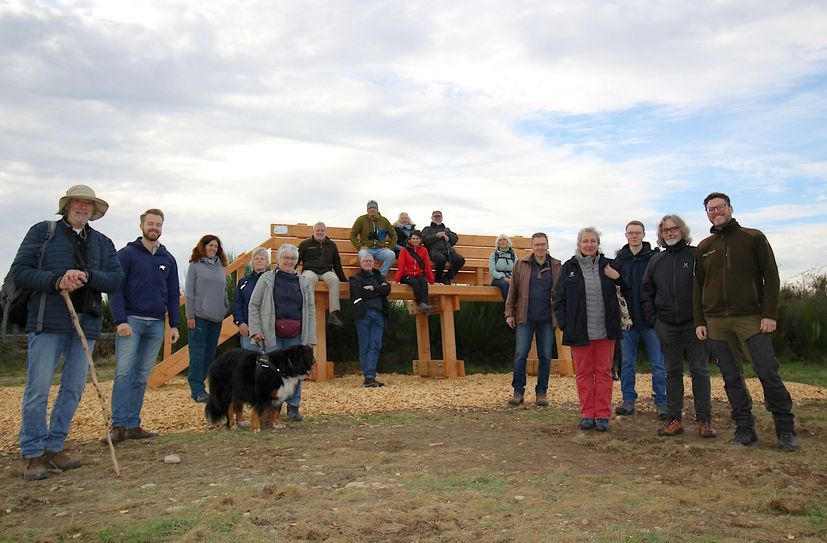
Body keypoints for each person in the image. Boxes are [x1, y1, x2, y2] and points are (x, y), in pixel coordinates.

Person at [12, 185, 122, 481]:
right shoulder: (42, 232)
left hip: (85, 324)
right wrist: (56, 280)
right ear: (67, 205)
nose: (83, 208)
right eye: (78, 202)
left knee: (73, 388)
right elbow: (19, 271)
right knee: (38, 389)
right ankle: (31, 453)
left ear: (94, 211)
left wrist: (87, 276)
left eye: (89, 204)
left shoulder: (102, 242)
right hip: (47, 321)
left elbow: (115, 279)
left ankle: (54, 447)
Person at [694, 192, 797, 451]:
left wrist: (770, 314)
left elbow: (771, 277)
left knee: (767, 373)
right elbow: (698, 287)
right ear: (706, 213)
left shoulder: (753, 237)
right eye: (710, 209)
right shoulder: (705, 247)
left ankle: (785, 429)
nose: (716, 212)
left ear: (730, 208)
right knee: (731, 377)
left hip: (751, 318)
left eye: (720, 207)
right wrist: (700, 320)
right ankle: (744, 428)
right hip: (716, 321)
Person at [105, 208, 180, 444]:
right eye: (150, 224)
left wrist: (174, 324)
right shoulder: (126, 255)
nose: (154, 228)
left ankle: (132, 424)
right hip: (132, 322)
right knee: (124, 372)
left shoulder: (167, 259)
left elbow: (172, 294)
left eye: (158, 224)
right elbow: (115, 289)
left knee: (141, 376)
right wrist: (120, 320)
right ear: (141, 226)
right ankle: (117, 425)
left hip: (156, 324)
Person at [641, 215, 716, 438]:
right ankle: (674, 419)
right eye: (666, 231)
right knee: (672, 371)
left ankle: (705, 421)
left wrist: (705, 318)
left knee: (700, 371)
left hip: (695, 324)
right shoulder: (656, 261)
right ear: (661, 235)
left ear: (682, 231)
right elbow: (647, 292)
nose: (670, 233)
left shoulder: (696, 255)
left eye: (674, 229)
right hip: (666, 325)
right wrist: (654, 320)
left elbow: (709, 287)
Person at [554, 227, 627, 432]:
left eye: (593, 241)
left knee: (604, 373)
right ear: (579, 244)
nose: (589, 245)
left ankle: (603, 415)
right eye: (585, 241)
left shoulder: (610, 265)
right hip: (580, 332)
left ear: (598, 243)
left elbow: (627, 288)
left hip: (606, 330)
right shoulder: (569, 267)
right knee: (583, 373)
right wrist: (565, 324)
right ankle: (587, 414)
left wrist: (617, 277)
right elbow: (559, 298)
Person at [248, 244, 316, 421]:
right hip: (272, 334)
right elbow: (254, 305)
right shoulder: (266, 279)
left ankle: (293, 407)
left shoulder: (304, 282)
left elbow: (310, 309)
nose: (289, 261)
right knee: (269, 374)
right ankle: (267, 410)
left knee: (296, 371)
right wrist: (255, 329)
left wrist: (310, 338)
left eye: (293, 258)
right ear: (278, 260)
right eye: (285, 258)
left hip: (296, 334)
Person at [614, 220, 667, 419]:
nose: (634, 236)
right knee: (627, 363)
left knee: (658, 363)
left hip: (650, 320)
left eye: (637, 232)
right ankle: (628, 401)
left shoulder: (655, 258)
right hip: (628, 321)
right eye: (630, 233)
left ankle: (661, 402)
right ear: (626, 235)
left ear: (644, 234)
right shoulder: (619, 261)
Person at [504, 233, 561, 407]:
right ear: (532, 246)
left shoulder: (557, 266)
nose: (540, 248)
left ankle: (541, 392)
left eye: (543, 244)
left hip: (546, 318)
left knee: (545, 356)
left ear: (548, 245)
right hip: (524, 317)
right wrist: (509, 313)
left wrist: (561, 316)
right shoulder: (520, 265)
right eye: (537, 244)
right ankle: (518, 391)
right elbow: (512, 291)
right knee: (520, 355)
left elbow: (562, 293)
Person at [185, 235, 228, 403]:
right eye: (210, 245)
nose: (213, 249)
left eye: (216, 246)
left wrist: (225, 307)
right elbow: (189, 292)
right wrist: (190, 316)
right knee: (197, 354)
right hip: (199, 316)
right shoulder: (195, 266)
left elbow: (224, 290)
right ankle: (197, 389)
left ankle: (200, 384)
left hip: (216, 317)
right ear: (203, 246)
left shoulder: (221, 267)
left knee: (209, 354)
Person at [350, 253, 392, 387]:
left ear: (374, 262)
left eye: (370, 261)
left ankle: (370, 375)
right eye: (365, 261)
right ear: (361, 263)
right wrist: (379, 291)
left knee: (376, 345)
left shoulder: (379, 276)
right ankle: (368, 376)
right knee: (365, 345)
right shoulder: (355, 278)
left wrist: (374, 289)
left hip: (379, 314)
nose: (368, 263)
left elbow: (387, 289)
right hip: (363, 314)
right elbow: (360, 293)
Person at [297, 222, 347, 327]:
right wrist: (289, 273)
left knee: (334, 280)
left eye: (322, 230)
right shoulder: (305, 244)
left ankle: (334, 313)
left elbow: (337, 263)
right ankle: (308, 311)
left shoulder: (332, 245)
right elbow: (296, 259)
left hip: (326, 271)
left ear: (325, 231)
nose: (320, 232)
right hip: (310, 270)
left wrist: (344, 280)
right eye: (317, 230)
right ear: (314, 231)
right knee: (307, 279)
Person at [232, 247, 270, 351]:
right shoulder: (244, 282)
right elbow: (237, 304)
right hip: (247, 330)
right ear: (252, 262)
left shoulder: (272, 281)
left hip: (268, 331)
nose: (259, 260)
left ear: (267, 262)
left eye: (262, 258)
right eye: (256, 258)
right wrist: (241, 323)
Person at [349, 200, 397, 276]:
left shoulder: (384, 221)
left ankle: (380, 276)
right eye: (370, 207)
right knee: (363, 255)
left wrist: (389, 248)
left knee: (391, 255)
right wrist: (359, 247)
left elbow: (394, 235)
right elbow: (352, 235)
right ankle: (367, 277)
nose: (372, 209)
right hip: (367, 249)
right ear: (367, 210)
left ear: (377, 209)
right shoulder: (361, 219)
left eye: (374, 207)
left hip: (381, 249)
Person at [421, 210, 465, 285]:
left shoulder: (446, 230)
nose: (437, 217)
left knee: (460, 260)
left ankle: (447, 278)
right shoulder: (427, 229)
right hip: (434, 250)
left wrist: (447, 237)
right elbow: (424, 239)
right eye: (435, 216)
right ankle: (438, 280)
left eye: (439, 216)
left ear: (442, 218)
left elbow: (455, 238)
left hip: (448, 250)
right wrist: (436, 236)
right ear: (432, 218)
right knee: (441, 259)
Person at [396, 230, 435, 314]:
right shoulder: (404, 250)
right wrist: (396, 280)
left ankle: (424, 303)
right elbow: (401, 266)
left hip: (418, 274)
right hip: (406, 275)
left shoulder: (424, 250)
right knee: (415, 283)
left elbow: (427, 266)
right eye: (413, 238)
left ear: (420, 240)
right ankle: (419, 303)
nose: (415, 240)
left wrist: (431, 281)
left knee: (423, 282)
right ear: (410, 239)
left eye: (417, 238)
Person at [489, 234, 516, 301]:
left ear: (508, 242)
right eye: (500, 240)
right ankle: (508, 308)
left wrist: (512, 278)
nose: (502, 241)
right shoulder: (494, 255)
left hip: (511, 278)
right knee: (505, 285)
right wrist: (504, 278)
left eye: (504, 239)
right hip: (498, 279)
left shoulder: (513, 255)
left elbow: (517, 269)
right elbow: (492, 271)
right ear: (498, 243)